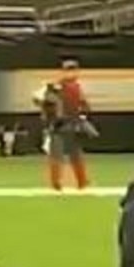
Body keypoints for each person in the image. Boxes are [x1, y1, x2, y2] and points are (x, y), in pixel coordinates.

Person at [42, 58, 94, 191]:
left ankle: (81, 181)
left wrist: (82, 116)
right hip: (59, 125)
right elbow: (46, 102)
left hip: (71, 124)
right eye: (68, 70)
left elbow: (84, 105)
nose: (71, 73)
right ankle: (56, 182)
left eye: (73, 70)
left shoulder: (75, 87)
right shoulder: (57, 87)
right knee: (58, 154)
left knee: (74, 154)